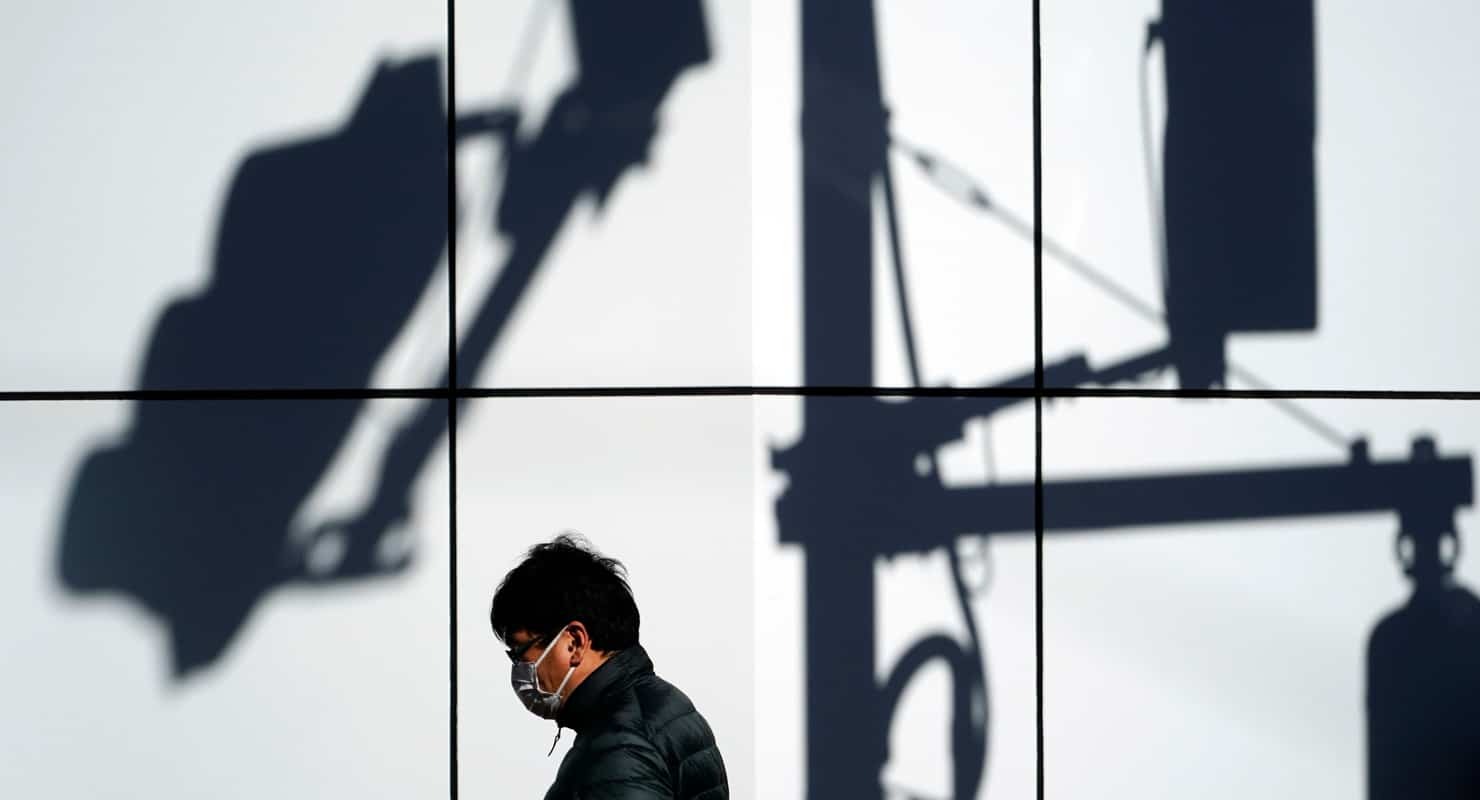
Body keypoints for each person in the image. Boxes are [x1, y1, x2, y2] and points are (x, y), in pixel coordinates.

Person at [491, 534, 728, 799]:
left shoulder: (615, 749)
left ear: (574, 643)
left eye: (521, 653)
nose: (519, 669)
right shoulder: (663, 705)